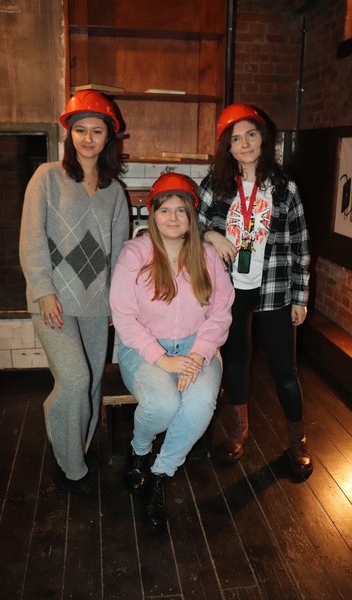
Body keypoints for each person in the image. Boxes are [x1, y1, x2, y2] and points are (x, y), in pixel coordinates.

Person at [109, 173, 234, 532]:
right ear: (153, 214)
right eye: (165, 210)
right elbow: (123, 314)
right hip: (144, 348)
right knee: (163, 404)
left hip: (197, 346)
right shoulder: (135, 254)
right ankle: (139, 448)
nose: (173, 217)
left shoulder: (207, 256)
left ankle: (161, 473)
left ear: (192, 215)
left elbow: (221, 310)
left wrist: (200, 353)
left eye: (181, 210)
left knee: (200, 404)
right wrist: (161, 357)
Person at [19, 90, 129, 494]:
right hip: (54, 302)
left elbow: (119, 253)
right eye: (80, 130)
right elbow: (31, 238)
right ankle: (71, 464)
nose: (88, 138)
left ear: (108, 136)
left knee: (93, 383)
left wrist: (118, 302)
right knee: (75, 379)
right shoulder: (47, 177)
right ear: (69, 133)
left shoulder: (115, 191)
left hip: (97, 304)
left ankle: (77, 446)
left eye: (96, 131)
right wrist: (43, 289)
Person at [197, 103, 313, 479]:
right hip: (230, 289)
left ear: (263, 138)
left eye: (251, 134)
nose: (244, 143)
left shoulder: (284, 188)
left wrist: (301, 297)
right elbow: (188, 227)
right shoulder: (214, 186)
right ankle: (239, 431)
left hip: (276, 288)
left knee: (284, 368)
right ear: (226, 147)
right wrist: (211, 234)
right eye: (235, 138)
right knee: (236, 360)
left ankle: (297, 439)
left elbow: (300, 245)